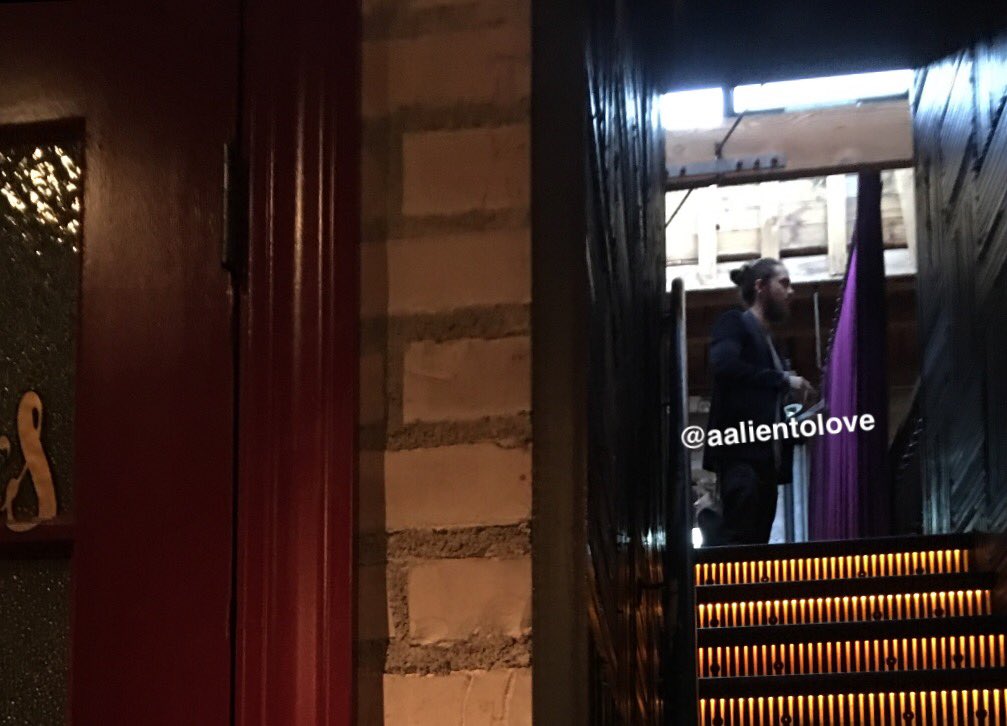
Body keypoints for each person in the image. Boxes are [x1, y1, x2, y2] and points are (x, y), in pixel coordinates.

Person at [702, 258, 815, 545]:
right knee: (740, 542)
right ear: (760, 286)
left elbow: (767, 404)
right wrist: (783, 380)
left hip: (766, 464)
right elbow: (724, 365)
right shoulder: (734, 322)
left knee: (756, 546)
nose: (790, 292)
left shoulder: (771, 345)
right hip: (740, 456)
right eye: (784, 283)